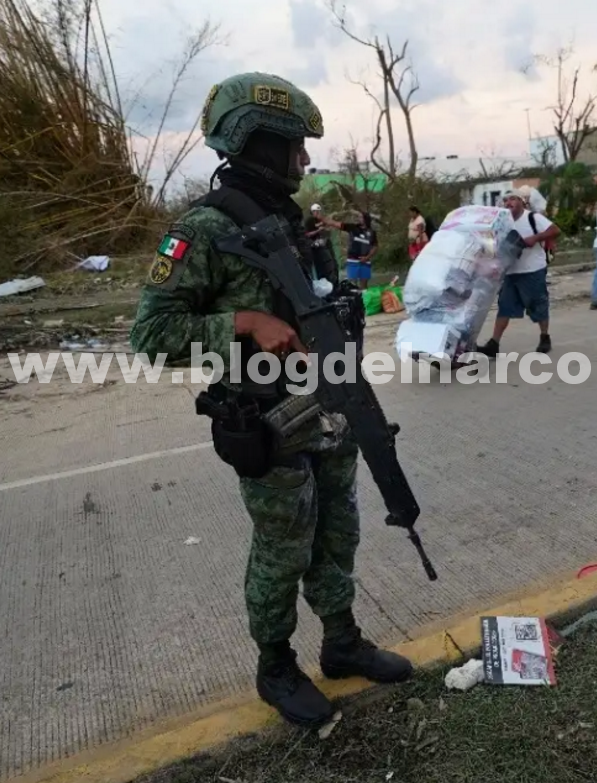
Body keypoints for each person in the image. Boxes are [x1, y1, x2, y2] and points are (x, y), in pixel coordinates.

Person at [128, 72, 413, 730]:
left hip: (329, 409)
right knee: (284, 547)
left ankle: (341, 642)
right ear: (258, 145)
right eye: (294, 148)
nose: (305, 161)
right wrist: (243, 324)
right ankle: (276, 663)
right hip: (268, 418)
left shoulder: (292, 224)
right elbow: (150, 336)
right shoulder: (202, 229)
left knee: (338, 533)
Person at [475, 186, 561, 355]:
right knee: (504, 307)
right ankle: (494, 344)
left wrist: (534, 238)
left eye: (512, 199)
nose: (508, 203)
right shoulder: (501, 222)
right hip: (510, 272)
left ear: (522, 202)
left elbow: (555, 230)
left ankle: (545, 337)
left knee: (538, 304)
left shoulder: (533, 218)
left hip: (533, 270)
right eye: (505, 200)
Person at [318, 210, 378, 288]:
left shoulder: (372, 232)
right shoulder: (352, 227)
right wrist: (322, 218)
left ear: (366, 219)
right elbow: (334, 223)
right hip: (353, 260)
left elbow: (375, 246)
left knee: (364, 286)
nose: (358, 218)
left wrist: (367, 257)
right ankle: (354, 297)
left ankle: (364, 298)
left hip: (365, 261)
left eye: (360, 217)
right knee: (352, 284)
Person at [303, 203, 340, 287]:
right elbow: (306, 235)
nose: (317, 213)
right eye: (315, 211)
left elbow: (328, 230)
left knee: (334, 264)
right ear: (312, 212)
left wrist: (327, 231)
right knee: (324, 267)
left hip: (326, 244)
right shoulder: (309, 221)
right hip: (317, 247)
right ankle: (327, 287)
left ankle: (336, 285)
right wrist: (317, 231)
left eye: (318, 211)